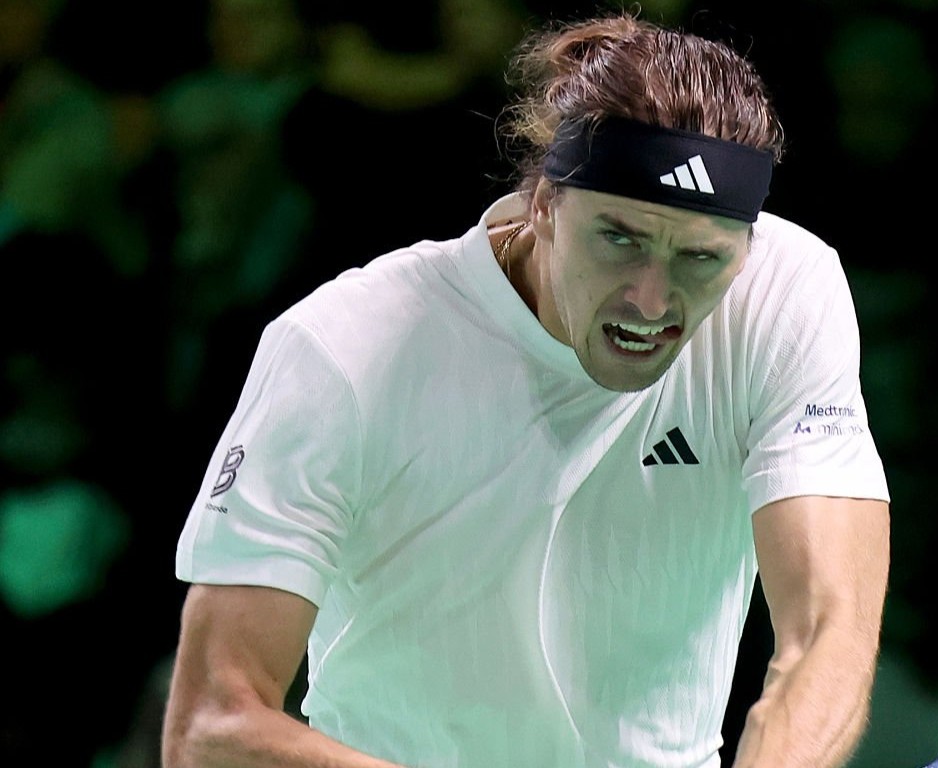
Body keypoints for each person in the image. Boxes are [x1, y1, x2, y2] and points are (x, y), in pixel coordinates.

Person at [160, 11, 892, 768]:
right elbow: (214, 726)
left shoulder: (787, 297)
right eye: (620, 238)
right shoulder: (344, 348)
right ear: (543, 203)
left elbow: (828, 630)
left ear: (745, 248)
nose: (651, 300)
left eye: (700, 259)